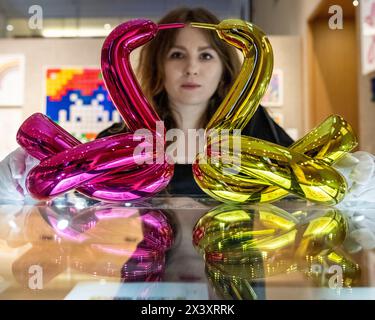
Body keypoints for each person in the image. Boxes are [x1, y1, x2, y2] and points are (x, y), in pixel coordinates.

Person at [97, 7, 294, 195]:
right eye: (177, 55)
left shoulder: (251, 122)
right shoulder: (133, 133)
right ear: (158, 66)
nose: (191, 68)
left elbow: (296, 177)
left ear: (224, 68)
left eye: (205, 56)